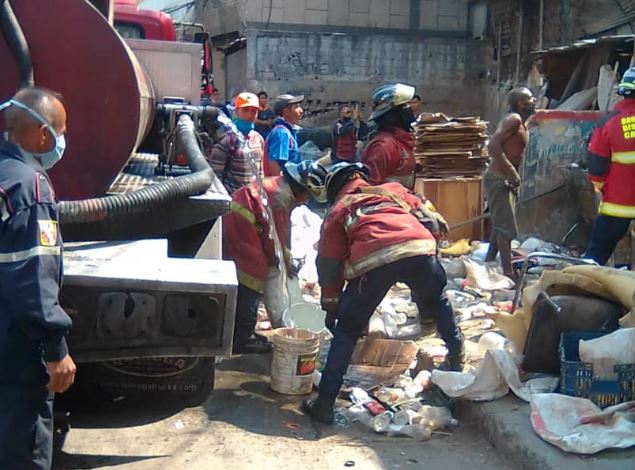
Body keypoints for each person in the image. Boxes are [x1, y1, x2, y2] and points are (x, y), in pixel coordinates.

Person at [302, 163, 463, 424]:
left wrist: (333, 306)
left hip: (373, 262)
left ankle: (324, 404)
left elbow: (329, 264)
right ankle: (457, 360)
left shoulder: (340, 208)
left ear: (335, 188)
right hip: (419, 248)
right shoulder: (394, 190)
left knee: (346, 331)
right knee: (439, 299)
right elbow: (433, 221)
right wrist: (428, 275)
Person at [0, 87, 76, 469]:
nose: (61, 143)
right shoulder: (31, 187)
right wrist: (55, 348)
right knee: (21, 451)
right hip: (15, 352)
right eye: (60, 132)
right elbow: (32, 275)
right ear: (45, 135)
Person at [223, 161, 326, 354]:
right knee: (252, 280)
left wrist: (285, 258)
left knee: (249, 278)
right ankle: (240, 340)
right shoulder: (281, 197)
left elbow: (278, 232)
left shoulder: (279, 186)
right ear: (301, 188)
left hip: (240, 224)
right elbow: (274, 239)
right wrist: (282, 260)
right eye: (307, 196)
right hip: (243, 230)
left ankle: (238, 334)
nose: (305, 201)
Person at [484, 87, 536, 279]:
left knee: (500, 224)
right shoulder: (513, 119)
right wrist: (512, 171)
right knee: (507, 229)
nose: (535, 100)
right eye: (531, 98)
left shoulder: (521, 121)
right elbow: (493, 145)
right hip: (499, 179)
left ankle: (489, 261)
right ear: (521, 103)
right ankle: (508, 273)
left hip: (504, 178)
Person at [584, 67, 635, 265]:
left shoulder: (609, 121)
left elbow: (597, 165)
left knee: (595, 258)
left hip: (617, 206)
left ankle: (583, 289)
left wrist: (599, 186)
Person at [361, 83, 417, 190]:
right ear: (394, 113)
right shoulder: (384, 146)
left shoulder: (401, 140)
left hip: (405, 203)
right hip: (391, 204)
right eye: (405, 106)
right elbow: (371, 188)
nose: (410, 109)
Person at [205, 92, 263, 194]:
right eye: (245, 110)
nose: (250, 115)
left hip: (253, 202)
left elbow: (260, 173)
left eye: (254, 111)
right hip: (233, 201)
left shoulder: (259, 139)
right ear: (236, 112)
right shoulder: (227, 140)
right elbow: (215, 177)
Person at [264, 94, 304, 176]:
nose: (301, 110)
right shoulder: (282, 133)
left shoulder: (287, 132)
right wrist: (281, 188)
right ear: (286, 112)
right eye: (296, 107)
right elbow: (274, 165)